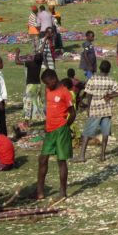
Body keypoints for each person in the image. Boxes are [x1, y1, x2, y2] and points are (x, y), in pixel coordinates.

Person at [37, 69, 75, 201]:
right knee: (42, 159)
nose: (47, 86)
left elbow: (73, 113)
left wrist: (65, 126)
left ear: (54, 78)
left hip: (61, 130)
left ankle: (63, 192)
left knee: (61, 161)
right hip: (49, 130)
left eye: (48, 83)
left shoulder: (65, 92)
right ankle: (40, 192)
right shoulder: (48, 90)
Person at [74, 61, 118, 163]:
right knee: (105, 132)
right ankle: (102, 155)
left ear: (100, 68)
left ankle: (82, 155)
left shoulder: (93, 79)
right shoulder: (110, 80)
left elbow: (89, 94)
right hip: (106, 110)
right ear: (109, 70)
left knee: (87, 132)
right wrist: (111, 96)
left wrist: (88, 107)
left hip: (95, 109)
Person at [14, 48, 45, 124]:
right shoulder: (39, 63)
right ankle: (40, 117)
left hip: (31, 86)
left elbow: (17, 62)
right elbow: (40, 53)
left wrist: (17, 53)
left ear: (34, 58)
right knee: (37, 102)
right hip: (38, 85)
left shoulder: (30, 63)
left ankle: (26, 122)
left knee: (28, 103)